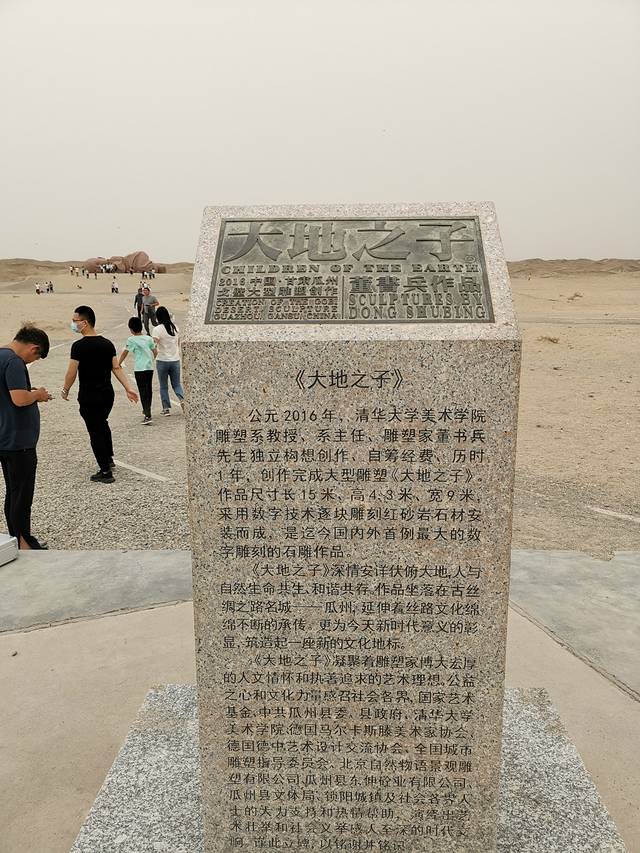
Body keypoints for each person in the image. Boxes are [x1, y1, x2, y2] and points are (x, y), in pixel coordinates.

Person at [61, 306, 138, 483]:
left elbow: (71, 372)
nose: (73, 324)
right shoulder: (107, 344)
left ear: (85, 322)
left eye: (75, 321)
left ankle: (105, 471)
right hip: (107, 395)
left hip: (89, 396)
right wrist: (128, 388)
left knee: (95, 431)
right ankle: (108, 458)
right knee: (102, 423)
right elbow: (116, 367)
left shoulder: (78, 347)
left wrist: (65, 389)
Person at [0, 325, 51, 549]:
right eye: (36, 357)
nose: (33, 360)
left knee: (13, 492)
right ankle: (24, 543)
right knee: (21, 495)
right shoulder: (14, 362)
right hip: (18, 440)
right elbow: (19, 399)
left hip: (5, 436)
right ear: (34, 348)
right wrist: (38, 394)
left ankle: (17, 538)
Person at [118, 317, 156, 425]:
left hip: (139, 368)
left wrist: (119, 363)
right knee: (148, 389)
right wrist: (152, 360)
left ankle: (147, 415)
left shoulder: (131, 340)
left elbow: (125, 352)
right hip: (149, 368)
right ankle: (147, 409)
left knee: (143, 390)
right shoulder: (148, 338)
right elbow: (155, 351)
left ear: (131, 329)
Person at [152, 306, 184, 416]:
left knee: (163, 386)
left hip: (162, 360)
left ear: (157, 317)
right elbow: (178, 343)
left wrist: (154, 355)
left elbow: (153, 345)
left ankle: (166, 409)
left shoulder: (157, 329)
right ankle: (183, 400)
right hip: (175, 360)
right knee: (177, 384)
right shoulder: (175, 328)